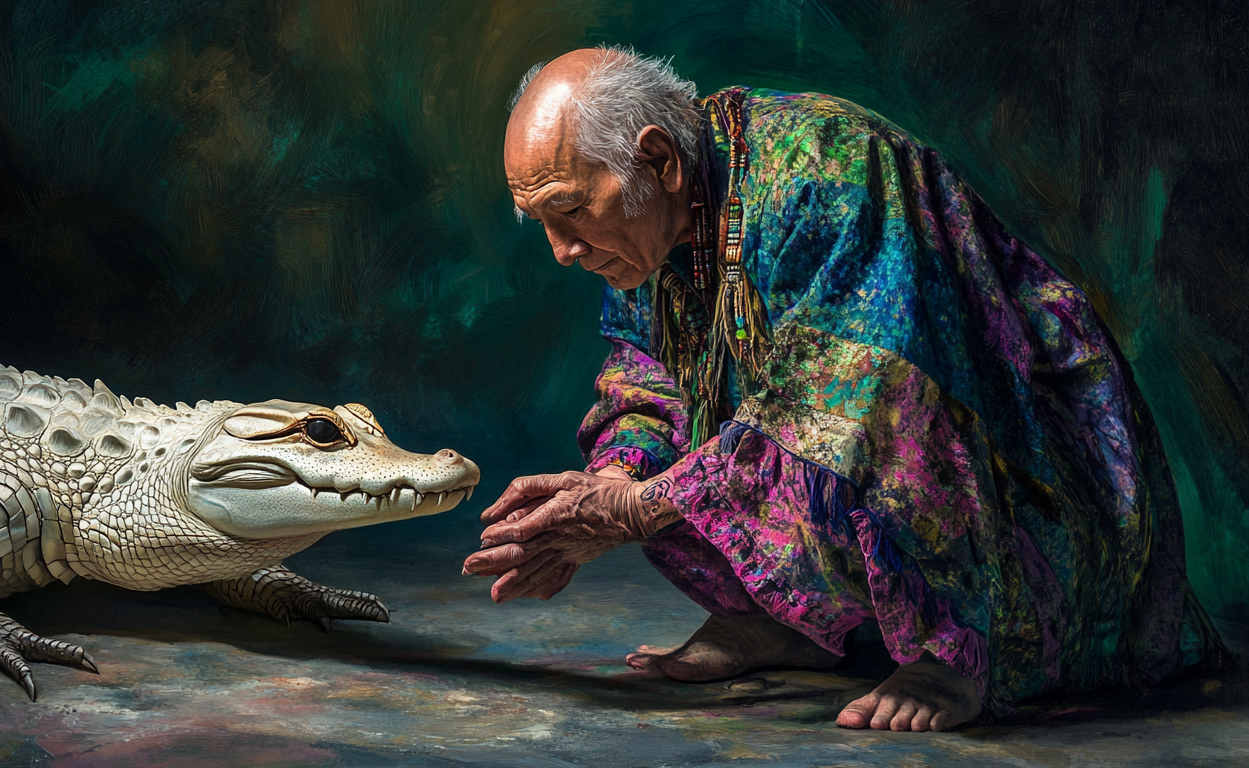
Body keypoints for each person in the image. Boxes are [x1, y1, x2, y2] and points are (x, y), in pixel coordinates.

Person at [463, 46, 1226, 732]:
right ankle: (780, 617)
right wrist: (607, 485)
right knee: (645, 472)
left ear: (659, 160)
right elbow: (645, 381)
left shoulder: (829, 167)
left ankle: (955, 650)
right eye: (540, 223)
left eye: (568, 211)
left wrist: (638, 507)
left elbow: (852, 397)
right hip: (842, 420)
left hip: (1013, 451)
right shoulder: (652, 228)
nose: (561, 251)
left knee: (874, 407)